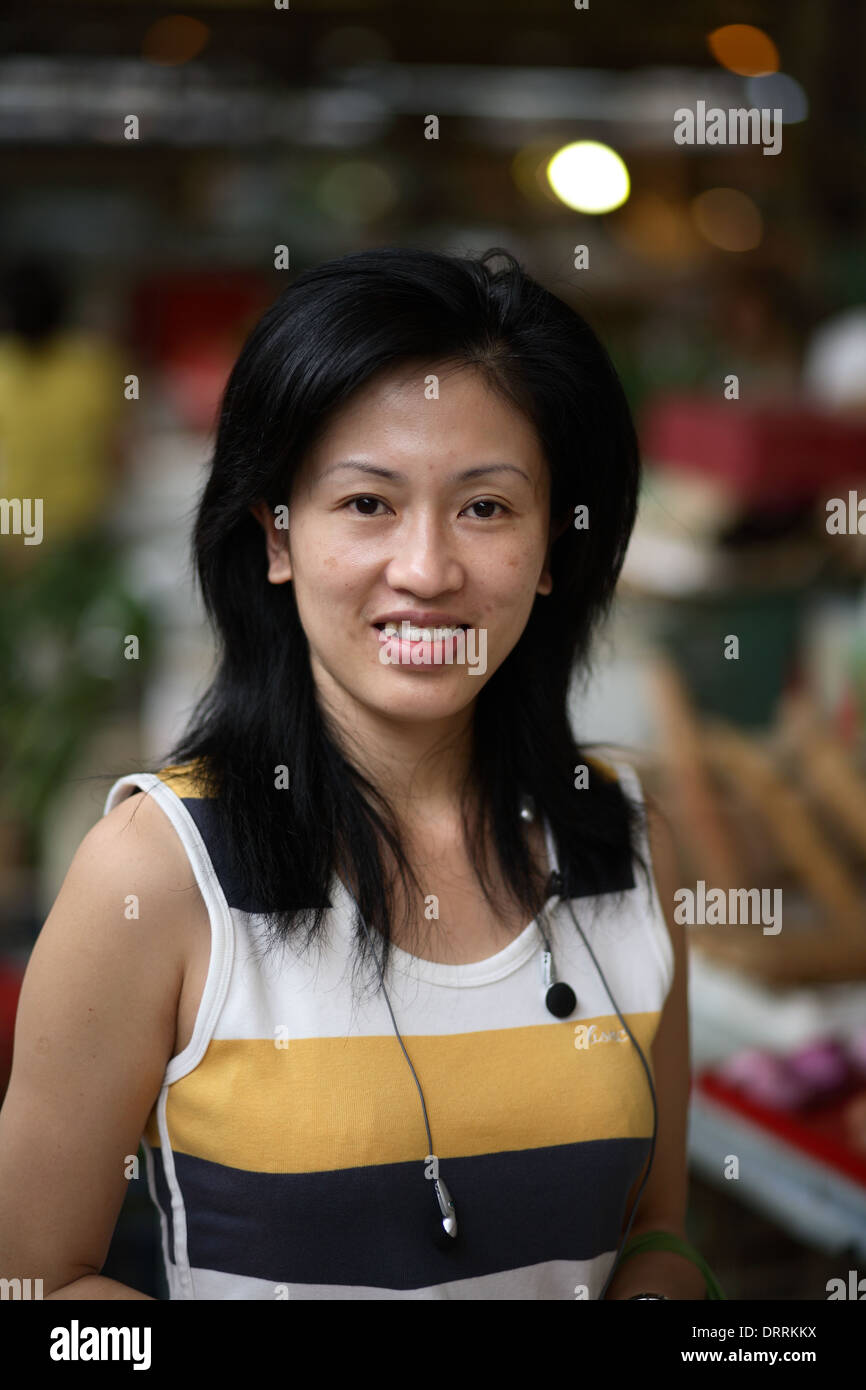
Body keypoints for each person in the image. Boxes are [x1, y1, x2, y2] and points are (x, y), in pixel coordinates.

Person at [0, 246, 703, 1300]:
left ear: (553, 546)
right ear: (275, 537)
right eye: (367, 504)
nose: (424, 570)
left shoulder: (623, 841)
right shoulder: (158, 873)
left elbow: (655, 1232)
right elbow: (39, 1288)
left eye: (485, 507)